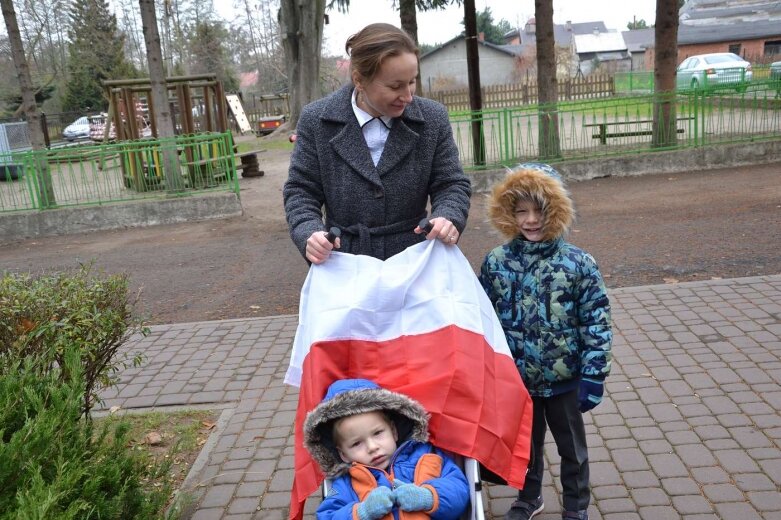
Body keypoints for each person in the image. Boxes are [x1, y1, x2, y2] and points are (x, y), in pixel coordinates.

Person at [478, 163, 612, 520]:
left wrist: (593, 374)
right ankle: (529, 496)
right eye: (521, 211)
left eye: (539, 210)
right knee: (525, 444)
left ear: (556, 211)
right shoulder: (497, 262)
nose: (531, 220)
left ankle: (575, 505)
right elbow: (482, 316)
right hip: (518, 379)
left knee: (572, 448)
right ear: (508, 214)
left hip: (564, 378)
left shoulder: (578, 263)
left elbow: (596, 319)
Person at [283, 23, 471, 264]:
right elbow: (301, 190)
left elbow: (451, 183)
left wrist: (448, 217)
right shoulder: (316, 120)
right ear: (359, 80)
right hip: (342, 263)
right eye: (395, 86)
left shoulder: (432, 119)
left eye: (412, 81)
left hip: (416, 261)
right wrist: (309, 233)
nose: (408, 96)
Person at [304, 378, 470, 520]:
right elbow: (328, 515)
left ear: (394, 431)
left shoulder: (427, 456)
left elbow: (459, 490)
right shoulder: (346, 484)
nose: (372, 447)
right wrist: (362, 512)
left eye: (377, 433)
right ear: (343, 454)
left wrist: (428, 497)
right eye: (356, 444)